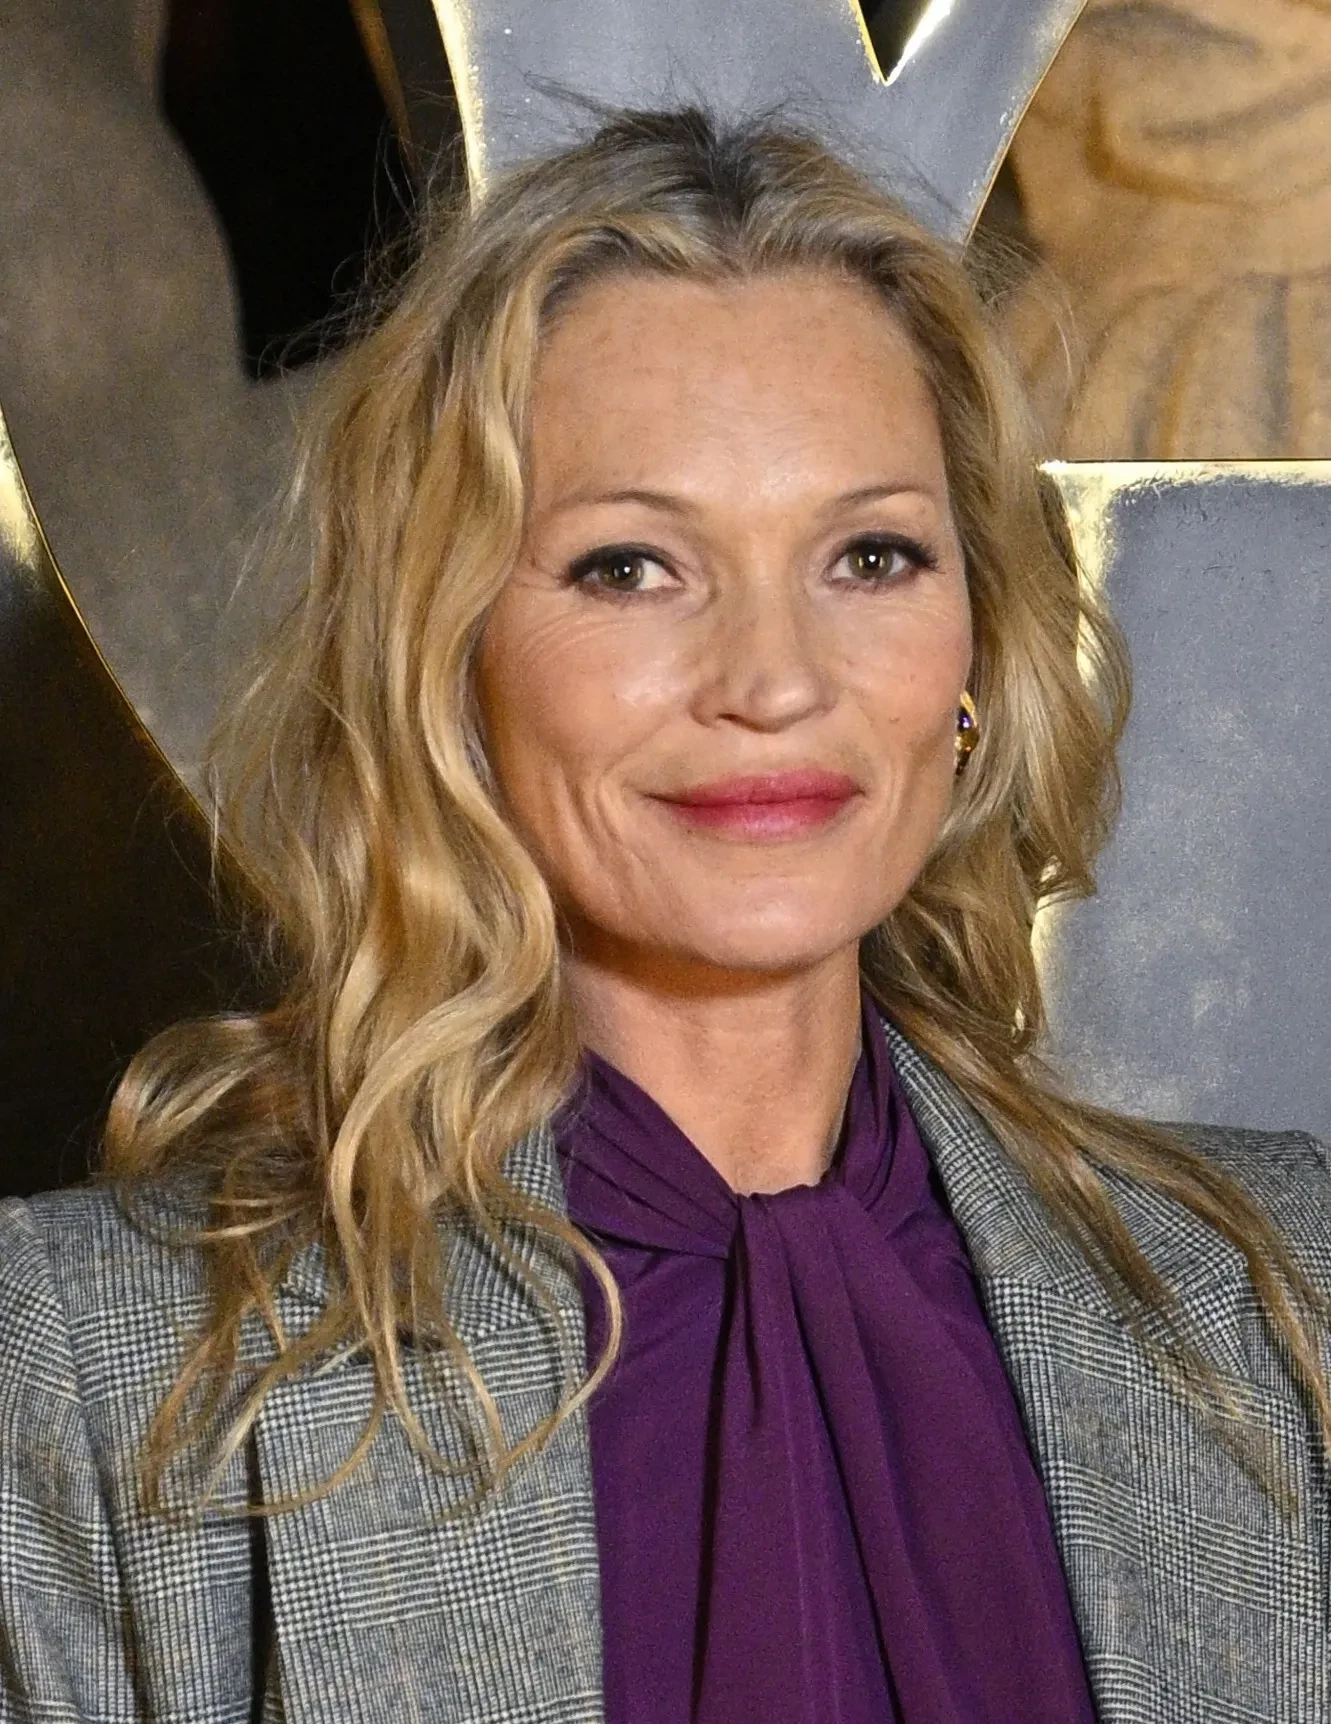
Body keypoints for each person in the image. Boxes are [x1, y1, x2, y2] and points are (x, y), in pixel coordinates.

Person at [1, 106, 1328, 1724]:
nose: (772, 681)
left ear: (975, 652)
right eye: (630, 568)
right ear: (446, 664)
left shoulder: (1281, 1300)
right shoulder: (95, 1367)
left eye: (870, 557)